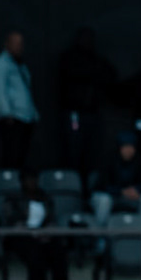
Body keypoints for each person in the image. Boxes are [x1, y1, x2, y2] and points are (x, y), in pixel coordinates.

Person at [2, 169, 73, 280]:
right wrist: (31, 232)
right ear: (22, 182)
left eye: (34, 180)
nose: (32, 183)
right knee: (34, 251)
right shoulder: (13, 198)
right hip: (21, 236)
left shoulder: (44, 197)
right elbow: (10, 219)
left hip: (43, 234)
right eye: (28, 180)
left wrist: (46, 231)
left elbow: (52, 219)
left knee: (58, 248)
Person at [55, 26, 117, 175]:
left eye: (90, 39)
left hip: (92, 112)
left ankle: (89, 188)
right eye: (85, 38)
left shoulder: (97, 60)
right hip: (74, 112)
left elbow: (110, 75)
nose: (88, 42)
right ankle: (72, 183)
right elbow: (69, 78)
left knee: (93, 151)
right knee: (73, 149)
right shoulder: (69, 58)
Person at [0, 30, 40, 168]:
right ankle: (9, 186)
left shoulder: (20, 65)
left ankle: (19, 186)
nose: (19, 47)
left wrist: (33, 113)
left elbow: (25, 91)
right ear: (6, 44)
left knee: (22, 157)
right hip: (12, 119)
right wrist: (6, 114)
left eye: (21, 44)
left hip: (26, 117)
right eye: (15, 43)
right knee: (10, 155)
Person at [90, 132, 141, 226]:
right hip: (107, 195)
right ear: (120, 148)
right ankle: (101, 235)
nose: (129, 150)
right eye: (126, 147)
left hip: (128, 196)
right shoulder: (108, 159)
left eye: (131, 147)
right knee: (104, 200)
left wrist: (137, 190)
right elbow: (102, 185)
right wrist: (121, 191)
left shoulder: (139, 161)